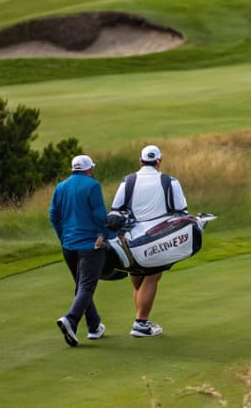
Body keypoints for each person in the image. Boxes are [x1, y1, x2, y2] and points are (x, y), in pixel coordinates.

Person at [110, 145, 187, 337]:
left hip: (131, 240)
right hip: (157, 238)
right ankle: (141, 323)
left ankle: (141, 319)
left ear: (140, 160)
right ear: (159, 162)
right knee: (152, 277)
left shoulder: (128, 181)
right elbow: (181, 212)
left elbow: (115, 210)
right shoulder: (170, 181)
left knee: (137, 276)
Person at [48, 154, 113, 347]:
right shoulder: (92, 185)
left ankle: (94, 327)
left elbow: (53, 215)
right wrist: (107, 234)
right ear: (89, 169)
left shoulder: (61, 187)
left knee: (81, 286)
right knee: (85, 287)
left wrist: (63, 236)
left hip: (69, 246)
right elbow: (100, 215)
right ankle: (71, 319)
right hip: (90, 246)